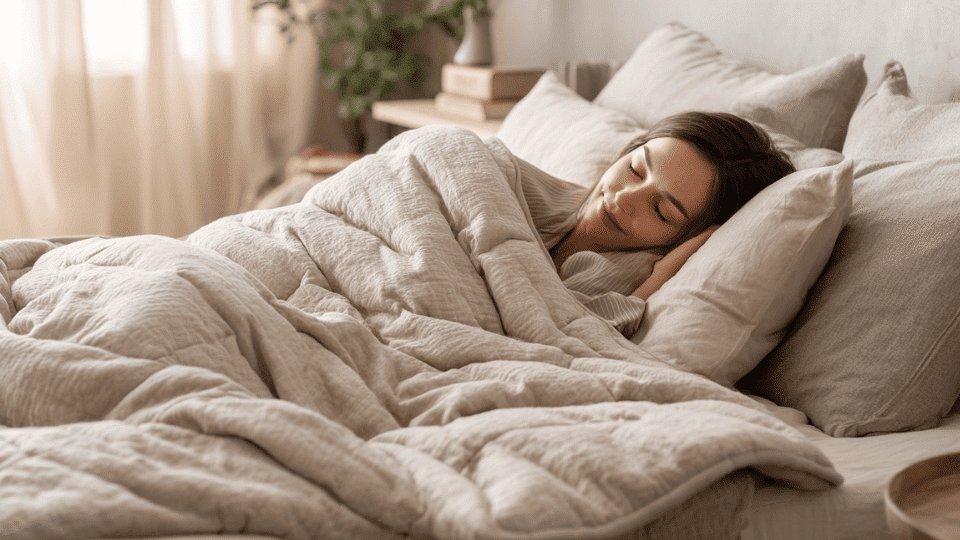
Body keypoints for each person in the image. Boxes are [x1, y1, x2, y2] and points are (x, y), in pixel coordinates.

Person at [517, 111, 795, 335]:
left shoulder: (621, 278)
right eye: (635, 169)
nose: (625, 197)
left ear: (690, 239)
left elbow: (573, 333)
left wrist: (659, 278)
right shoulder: (522, 182)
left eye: (661, 211)